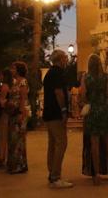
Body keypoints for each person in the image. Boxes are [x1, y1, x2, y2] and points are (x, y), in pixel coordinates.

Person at [80, 54, 108, 185]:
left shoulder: (85, 77)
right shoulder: (105, 77)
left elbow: (83, 96)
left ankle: (96, 175)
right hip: (104, 111)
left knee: (94, 143)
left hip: (92, 112)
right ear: (99, 64)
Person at [43, 49, 73, 188]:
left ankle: (52, 173)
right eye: (65, 58)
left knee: (53, 144)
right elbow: (59, 93)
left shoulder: (49, 73)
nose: (66, 60)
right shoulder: (58, 73)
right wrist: (64, 110)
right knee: (62, 143)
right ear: (60, 59)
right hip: (56, 113)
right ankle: (55, 176)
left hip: (49, 113)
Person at [7, 61, 29, 174]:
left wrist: (21, 113)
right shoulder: (15, 83)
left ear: (19, 70)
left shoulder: (23, 82)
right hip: (13, 113)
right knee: (13, 139)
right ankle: (15, 164)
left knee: (18, 140)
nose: (12, 71)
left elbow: (23, 99)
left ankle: (20, 165)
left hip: (19, 113)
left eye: (13, 69)